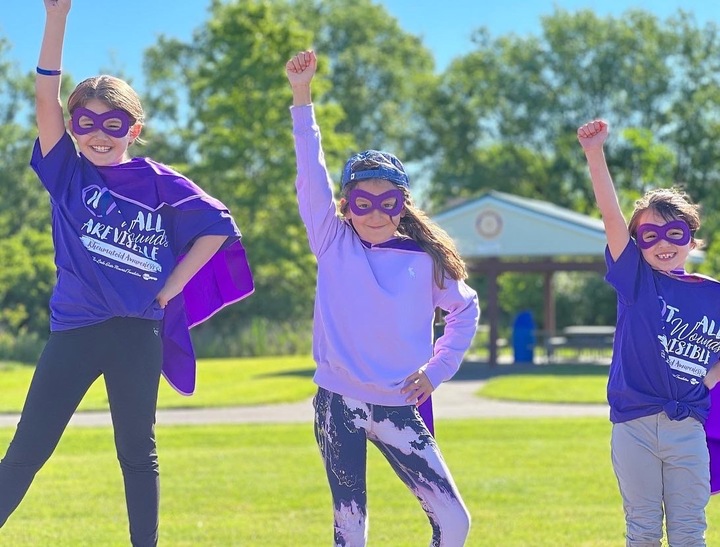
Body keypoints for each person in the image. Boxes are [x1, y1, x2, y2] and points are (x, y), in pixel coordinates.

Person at [0, 1, 253, 545]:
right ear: (71, 127)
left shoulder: (161, 183)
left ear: (133, 128)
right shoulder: (67, 172)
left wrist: (169, 290)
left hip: (138, 333)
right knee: (28, 448)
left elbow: (219, 226)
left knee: (138, 454)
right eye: (85, 122)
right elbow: (44, 95)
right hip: (75, 331)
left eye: (111, 124)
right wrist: (56, 18)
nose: (98, 134)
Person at [286, 50, 479, 547]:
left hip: (397, 405)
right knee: (351, 526)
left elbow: (465, 310)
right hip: (339, 402)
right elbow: (311, 170)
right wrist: (301, 96)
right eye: (362, 202)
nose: (375, 213)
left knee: (454, 522)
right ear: (346, 205)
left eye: (387, 202)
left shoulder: (424, 257)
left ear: (403, 204)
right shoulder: (331, 240)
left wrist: (436, 371)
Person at [578, 118, 720, 546]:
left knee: (689, 530)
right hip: (634, 424)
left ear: (692, 240)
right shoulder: (635, 280)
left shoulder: (712, 294)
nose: (663, 242)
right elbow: (610, 215)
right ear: (636, 241)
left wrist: (705, 380)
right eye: (649, 233)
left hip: (689, 426)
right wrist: (595, 153)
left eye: (675, 233)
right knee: (641, 529)